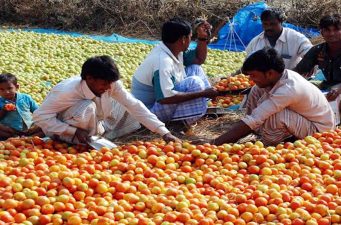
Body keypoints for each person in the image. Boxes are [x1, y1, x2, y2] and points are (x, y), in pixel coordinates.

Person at [202, 48, 335, 146]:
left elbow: (254, 118)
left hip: (319, 130)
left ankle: (270, 146)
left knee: (276, 116)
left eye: (254, 75)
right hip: (304, 119)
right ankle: (260, 132)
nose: (252, 79)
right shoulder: (280, 76)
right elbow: (254, 118)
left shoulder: (288, 89)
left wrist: (213, 143)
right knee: (255, 90)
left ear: (270, 73)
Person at [33, 56, 179, 144]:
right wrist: (72, 131)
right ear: (89, 78)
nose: (109, 87)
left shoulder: (110, 85)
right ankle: (78, 141)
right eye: (104, 83)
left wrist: (164, 132)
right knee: (88, 106)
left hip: (95, 120)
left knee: (126, 102)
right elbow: (39, 116)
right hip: (65, 127)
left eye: (111, 83)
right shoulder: (66, 92)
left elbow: (134, 105)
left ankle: (95, 136)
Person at [131, 17, 219, 127]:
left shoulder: (174, 51)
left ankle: (199, 109)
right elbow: (165, 98)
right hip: (147, 116)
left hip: (159, 104)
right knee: (195, 83)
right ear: (183, 39)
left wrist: (202, 38)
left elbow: (199, 59)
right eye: (190, 38)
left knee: (195, 69)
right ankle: (178, 126)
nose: (190, 41)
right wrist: (203, 93)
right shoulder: (162, 61)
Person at [230, 8, 312, 76]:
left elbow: (311, 54)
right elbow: (247, 66)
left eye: (273, 24)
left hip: (291, 82)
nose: (269, 27)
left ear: (281, 23)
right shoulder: (256, 42)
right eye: (265, 24)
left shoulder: (296, 38)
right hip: (264, 85)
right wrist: (231, 78)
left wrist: (297, 72)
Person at [294, 14, 341, 102]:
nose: (331, 33)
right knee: (299, 88)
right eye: (327, 30)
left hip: (337, 90)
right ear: (321, 32)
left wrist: (339, 88)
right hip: (329, 87)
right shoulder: (318, 50)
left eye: (336, 29)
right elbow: (297, 71)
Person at [0, 73, 43, 140]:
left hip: (29, 129)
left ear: (17, 87)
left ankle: (28, 138)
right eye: (1, 89)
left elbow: (37, 112)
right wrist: (3, 110)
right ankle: (16, 138)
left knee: (46, 126)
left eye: (9, 88)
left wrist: (36, 125)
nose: (6, 92)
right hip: (11, 130)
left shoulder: (26, 98)